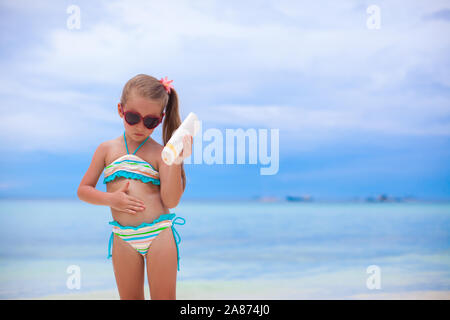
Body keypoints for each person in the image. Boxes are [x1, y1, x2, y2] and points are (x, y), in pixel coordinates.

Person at [77, 74, 192, 300]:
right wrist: (111, 200)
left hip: (158, 234)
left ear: (160, 119)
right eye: (133, 117)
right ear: (121, 110)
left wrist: (177, 160)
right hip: (123, 237)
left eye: (150, 121)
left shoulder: (161, 153)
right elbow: (83, 190)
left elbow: (171, 201)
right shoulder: (106, 150)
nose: (141, 127)